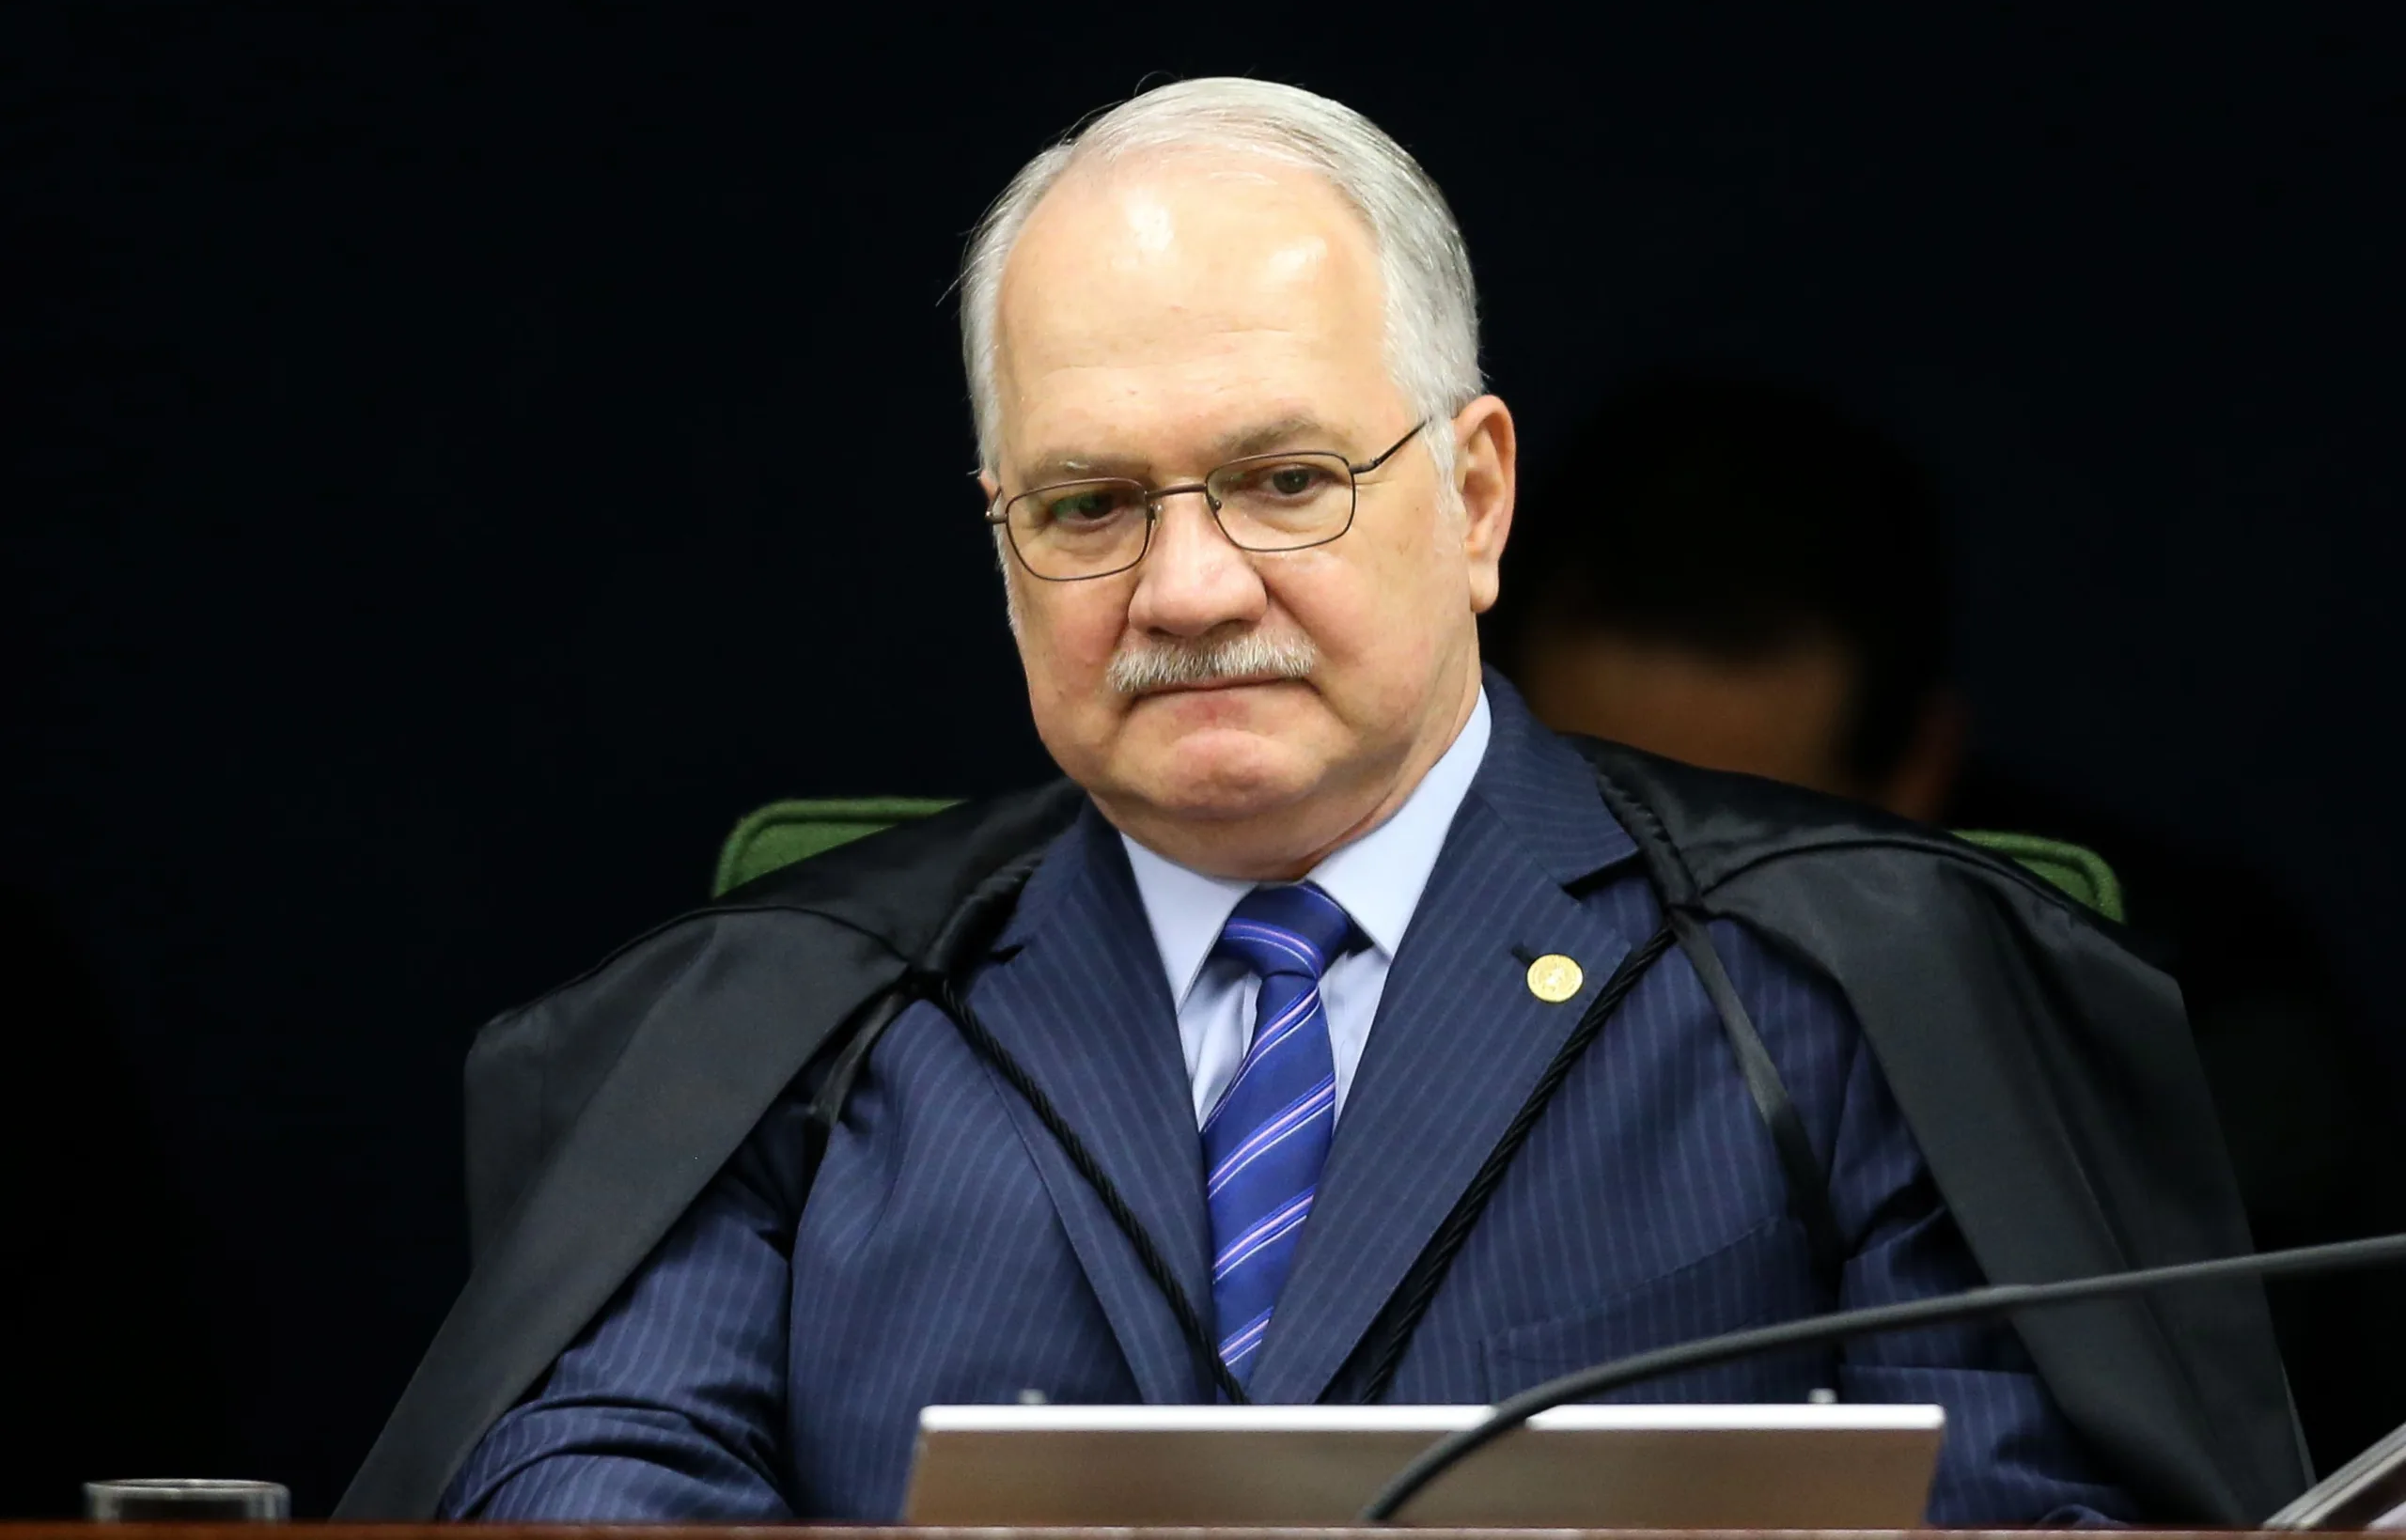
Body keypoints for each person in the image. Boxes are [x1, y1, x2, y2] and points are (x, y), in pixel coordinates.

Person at [339, 80, 2303, 1525]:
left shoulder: (1841, 983)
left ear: (1471, 496)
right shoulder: (794, 1020)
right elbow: (579, 1473)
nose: (1186, 588)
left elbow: (2044, 1514)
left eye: (1285, 480)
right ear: (997, 540)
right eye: (1090, 504)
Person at [1493, 372, 2406, 1477]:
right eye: (1599, 814)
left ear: (1919, 771)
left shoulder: (2180, 1017)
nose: (1654, 900)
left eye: (1740, 836)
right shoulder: (1342, 982)